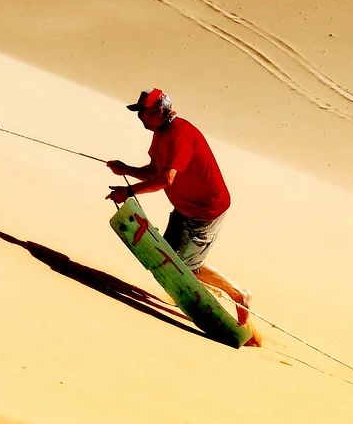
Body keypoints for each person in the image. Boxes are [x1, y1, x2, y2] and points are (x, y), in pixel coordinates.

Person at [106, 88, 252, 325]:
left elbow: (166, 179)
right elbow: (156, 170)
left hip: (206, 210)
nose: (139, 117)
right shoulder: (160, 133)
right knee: (168, 258)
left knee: (182, 267)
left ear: (157, 112)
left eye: (143, 113)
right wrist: (127, 170)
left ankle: (239, 295)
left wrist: (129, 191)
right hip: (184, 207)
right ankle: (203, 285)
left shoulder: (180, 135)